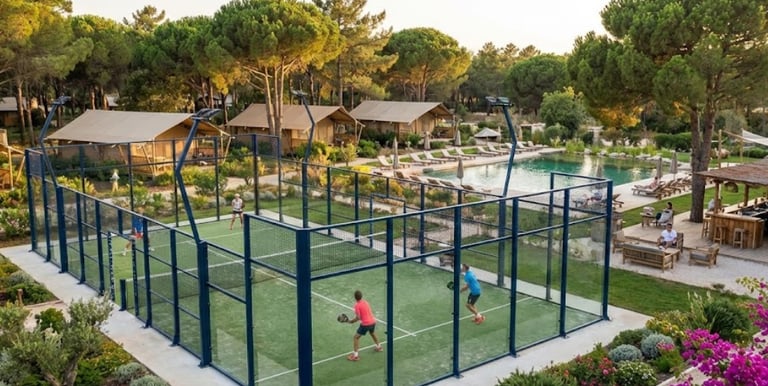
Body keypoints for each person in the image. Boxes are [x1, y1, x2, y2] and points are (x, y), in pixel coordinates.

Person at [346, 290, 383, 361]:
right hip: (373, 322)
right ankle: (379, 347)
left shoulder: (357, 305)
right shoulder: (366, 302)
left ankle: (355, 356)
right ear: (361, 296)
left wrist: (351, 321)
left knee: (356, 337)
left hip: (366, 324)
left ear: (355, 297)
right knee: (372, 333)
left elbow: (358, 317)